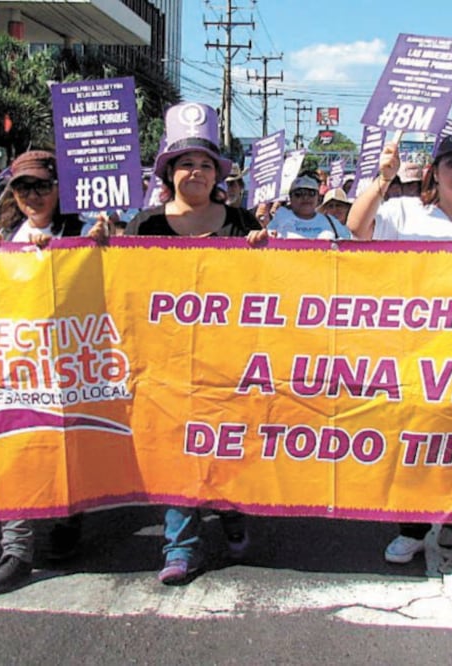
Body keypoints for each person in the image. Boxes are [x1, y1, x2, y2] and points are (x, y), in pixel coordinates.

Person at [347, 132, 452, 609]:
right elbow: (359, 227)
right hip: (410, 358)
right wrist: (383, 178)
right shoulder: (403, 214)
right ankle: (416, 527)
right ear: (433, 172)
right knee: (415, 449)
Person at [125, 102, 261, 585]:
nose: (196, 172)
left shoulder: (243, 225)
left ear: (217, 174)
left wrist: (267, 255)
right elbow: (124, 290)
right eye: (186, 164)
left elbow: (273, 290)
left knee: (222, 447)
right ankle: (180, 546)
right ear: (169, 172)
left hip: (228, 361)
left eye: (205, 164)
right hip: (164, 361)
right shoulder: (143, 226)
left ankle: (230, 512)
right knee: (179, 452)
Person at [0, 150, 108, 595]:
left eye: (42, 186)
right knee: (16, 450)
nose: (32, 195)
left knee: (69, 445)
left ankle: (70, 515)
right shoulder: (1, 236)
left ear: (59, 190)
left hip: (72, 362)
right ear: (12, 192)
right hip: (15, 366)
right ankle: (16, 550)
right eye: (22, 187)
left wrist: (101, 244)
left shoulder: (81, 231)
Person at [266, 175, 351, 240]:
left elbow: (351, 243)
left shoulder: (331, 222)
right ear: (291, 198)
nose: (305, 198)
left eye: (311, 193)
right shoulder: (280, 220)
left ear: (318, 198)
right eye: (299, 194)